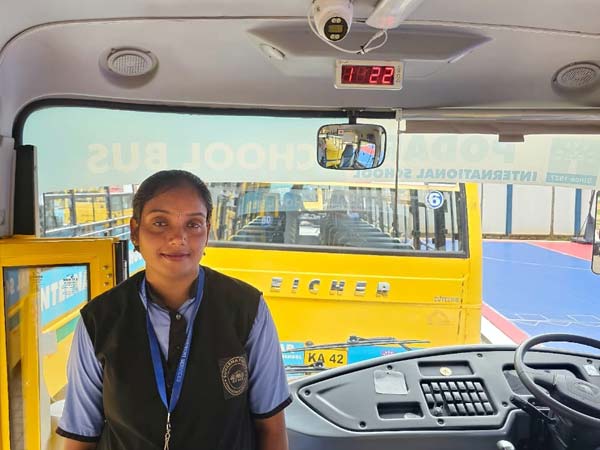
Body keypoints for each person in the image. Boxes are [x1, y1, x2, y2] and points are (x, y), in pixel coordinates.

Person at [57, 170, 291, 450]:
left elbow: (271, 428)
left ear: (207, 232)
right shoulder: (98, 321)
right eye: (160, 223)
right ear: (135, 231)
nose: (178, 238)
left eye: (193, 224)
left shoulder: (247, 309)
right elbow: (80, 439)